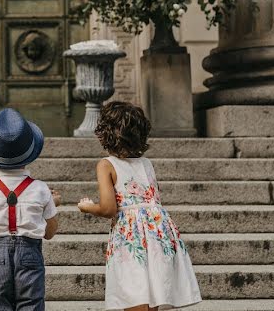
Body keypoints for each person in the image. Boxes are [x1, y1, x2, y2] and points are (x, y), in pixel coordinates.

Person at [78, 101, 201, 311]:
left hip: (131, 236)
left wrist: (88, 207)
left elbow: (109, 209)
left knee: (133, 292)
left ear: (105, 134)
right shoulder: (146, 163)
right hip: (158, 234)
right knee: (153, 292)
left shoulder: (106, 165)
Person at [0, 107, 61, 311]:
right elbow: (49, 232)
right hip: (29, 251)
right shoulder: (41, 188)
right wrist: (51, 203)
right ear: (29, 153)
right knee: (31, 304)